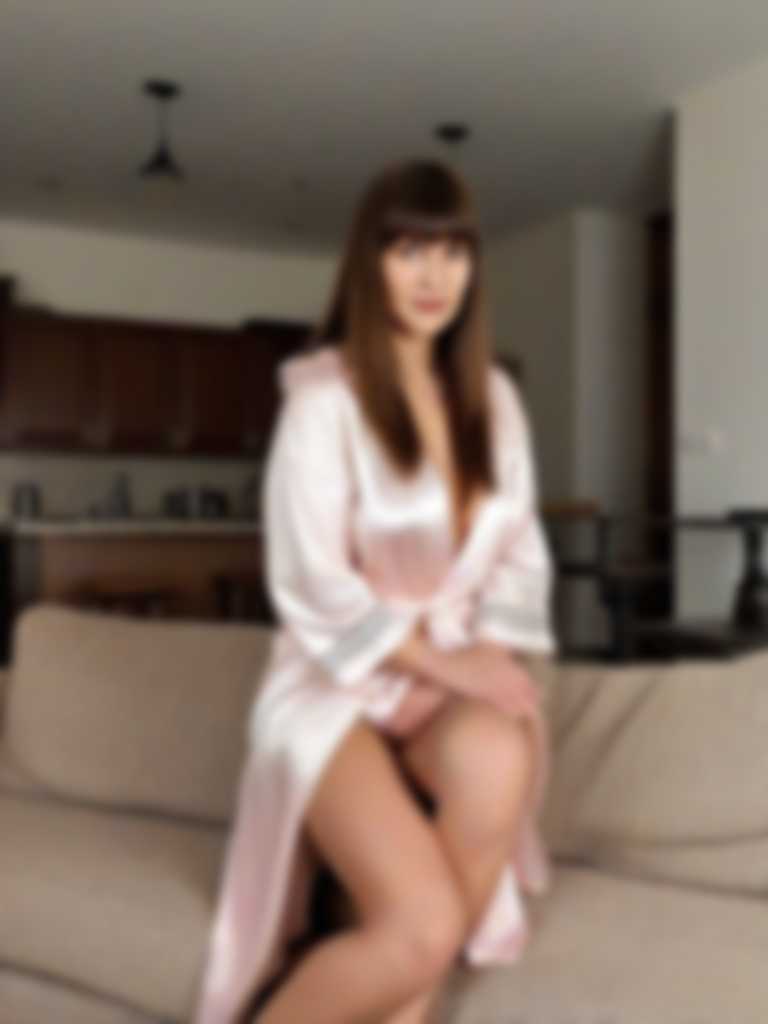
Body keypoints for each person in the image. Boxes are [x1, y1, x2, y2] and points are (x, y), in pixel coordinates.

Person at [192, 157, 558, 1024]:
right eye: (408, 251)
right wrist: (437, 665)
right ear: (371, 262)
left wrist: (475, 664)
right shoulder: (322, 400)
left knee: (500, 752)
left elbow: (521, 552)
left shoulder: (495, 399)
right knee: (424, 927)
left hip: (448, 668)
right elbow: (309, 578)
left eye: (454, 252)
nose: (435, 276)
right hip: (333, 680)